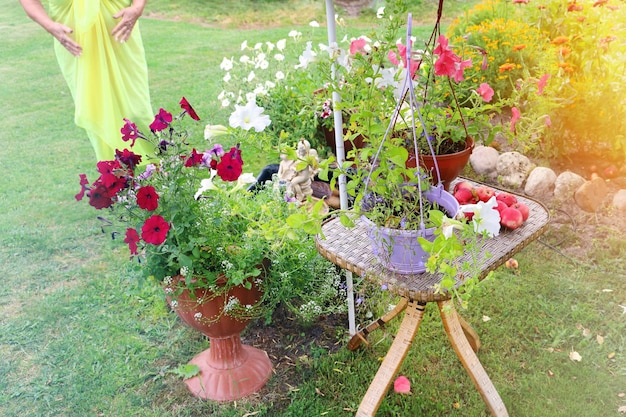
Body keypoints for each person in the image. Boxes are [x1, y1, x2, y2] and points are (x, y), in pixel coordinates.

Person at [18, 0, 155, 162]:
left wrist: (137, 8)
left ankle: (159, 168)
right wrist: (49, 25)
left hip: (121, 34)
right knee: (95, 107)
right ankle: (117, 176)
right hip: (75, 43)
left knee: (137, 111)